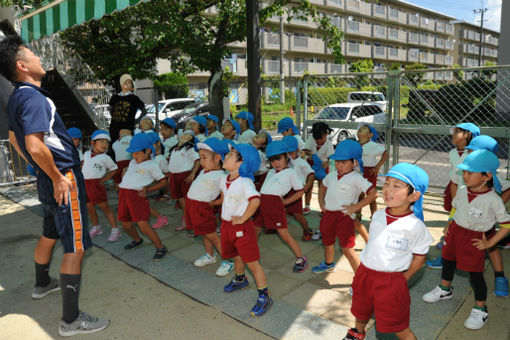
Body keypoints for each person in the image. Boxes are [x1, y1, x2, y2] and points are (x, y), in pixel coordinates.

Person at [1, 35, 109, 335]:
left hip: (49, 178)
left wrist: (43, 170)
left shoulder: (17, 97)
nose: (38, 56)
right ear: (22, 65)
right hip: (63, 179)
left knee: (50, 232)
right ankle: (71, 321)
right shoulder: (34, 98)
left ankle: (41, 283)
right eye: (32, 54)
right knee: (75, 247)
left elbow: (14, 139)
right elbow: (34, 146)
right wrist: (58, 176)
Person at [343, 163, 432, 340]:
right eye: (386, 183)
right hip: (365, 274)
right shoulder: (378, 215)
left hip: (391, 281)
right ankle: (357, 333)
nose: (387, 189)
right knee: (360, 311)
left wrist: (402, 280)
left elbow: (419, 259)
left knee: (398, 326)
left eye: (396, 186)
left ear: (414, 195)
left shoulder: (415, 227)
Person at [423, 150, 510, 330]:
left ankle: (480, 308)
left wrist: (489, 243)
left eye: (470, 172)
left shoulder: (493, 200)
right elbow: (456, 208)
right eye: (464, 171)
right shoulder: (462, 190)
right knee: (447, 260)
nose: (465, 175)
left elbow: (506, 225)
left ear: (486, 176)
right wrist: (449, 222)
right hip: (455, 232)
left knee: (475, 274)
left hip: (475, 238)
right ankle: (445, 289)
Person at [450, 135, 509, 297]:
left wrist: (497, 207)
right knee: (456, 243)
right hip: (465, 220)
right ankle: (447, 264)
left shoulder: (493, 175)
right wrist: (451, 219)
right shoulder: (465, 172)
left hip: (484, 223)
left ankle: (500, 276)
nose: (469, 155)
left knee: (491, 247)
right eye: (468, 151)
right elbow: (457, 200)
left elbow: (507, 189)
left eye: (473, 152)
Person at [220, 142, 272, 316]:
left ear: (242, 163)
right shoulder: (224, 178)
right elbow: (225, 197)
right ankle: (240, 279)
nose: (226, 155)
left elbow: (255, 201)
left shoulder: (245, 182)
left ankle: (265, 296)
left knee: (252, 262)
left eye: (231, 154)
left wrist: (243, 217)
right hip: (228, 225)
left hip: (242, 227)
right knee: (236, 256)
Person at [312, 139, 376, 275]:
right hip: (328, 215)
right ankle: (328, 264)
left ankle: (360, 280)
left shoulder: (356, 178)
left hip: (344, 217)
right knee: (328, 242)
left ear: (355, 162)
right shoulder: (331, 175)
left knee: (347, 249)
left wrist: (356, 207)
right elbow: (323, 187)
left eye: (344, 162)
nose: (339, 165)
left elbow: (373, 194)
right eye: (337, 161)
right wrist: (321, 203)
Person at [427, 122, 480, 269]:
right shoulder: (452, 153)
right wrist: (455, 201)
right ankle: (451, 246)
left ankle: (446, 256)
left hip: (471, 195)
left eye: (457, 132)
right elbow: (454, 179)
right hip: (457, 193)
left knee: (462, 225)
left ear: (467, 136)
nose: (453, 134)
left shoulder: (474, 155)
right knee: (453, 221)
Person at [254, 140, 308, 272]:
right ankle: (248, 253)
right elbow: (265, 189)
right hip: (262, 204)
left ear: (286, 157)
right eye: (272, 160)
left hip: (275, 206)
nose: (275, 163)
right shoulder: (271, 172)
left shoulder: (290, 173)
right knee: (255, 230)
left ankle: (301, 258)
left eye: (278, 159)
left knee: (284, 234)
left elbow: (300, 191)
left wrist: (284, 202)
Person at [186, 138, 233, 276]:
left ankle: (227, 260)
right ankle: (209, 255)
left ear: (218, 157)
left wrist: (212, 204)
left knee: (212, 235)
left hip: (202, 209)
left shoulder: (221, 176)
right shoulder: (204, 171)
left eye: (204, 158)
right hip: (193, 207)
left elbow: (225, 198)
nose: (202, 161)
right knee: (204, 233)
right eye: (200, 158)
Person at [118, 133, 169, 261]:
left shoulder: (152, 165)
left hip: (137, 196)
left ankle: (161, 247)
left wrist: (148, 189)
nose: (134, 156)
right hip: (124, 195)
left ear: (147, 151)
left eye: (137, 153)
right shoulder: (132, 162)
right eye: (132, 153)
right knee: (125, 224)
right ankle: (137, 240)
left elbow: (163, 182)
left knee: (143, 226)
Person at [82, 130, 121, 242]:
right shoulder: (86, 154)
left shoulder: (105, 158)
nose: (104, 144)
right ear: (93, 143)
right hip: (85, 184)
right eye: (101, 141)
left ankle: (115, 230)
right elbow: (82, 165)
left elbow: (114, 170)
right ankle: (96, 228)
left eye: (107, 142)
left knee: (105, 208)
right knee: (90, 208)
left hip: (96, 185)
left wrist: (104, 179)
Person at [282, 135, 315, 241]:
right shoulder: (282, 162)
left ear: (297, 150)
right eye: (286, 154)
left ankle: (307, 230)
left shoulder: (301, 162)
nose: (289, 156)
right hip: (284, 191)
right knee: (277, 211)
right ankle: (274, 227)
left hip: (295, 192)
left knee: (297, 215)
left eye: (291, 153)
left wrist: (307, 187)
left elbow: (311, 174)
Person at [168, 130, 201, 231]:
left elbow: (198, 161)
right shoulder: (174, 149)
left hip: (184, 176)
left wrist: (192, 174)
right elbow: (172, 163)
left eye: (189, 135)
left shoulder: (189, 148)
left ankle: (194, 224)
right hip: (174, 176)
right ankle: (187, 221)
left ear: (192, 139)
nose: (186, 136)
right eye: (184, 134)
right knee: (181, 200)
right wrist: (170, 175)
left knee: (188, 201)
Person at [302, 122, 334, 215]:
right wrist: (309, 154)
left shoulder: (328, 144)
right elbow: (306, 150)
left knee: (322, 188)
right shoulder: (311, 139)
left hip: (322, 169)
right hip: (311, 166)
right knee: (309, 186)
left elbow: (330, 159)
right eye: (316, 140)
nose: (318, 141)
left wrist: (326, 163)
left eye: (321, 139)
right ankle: (307, 206)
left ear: (326, 134)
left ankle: (323, 208)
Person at [108, 73, 146, 142]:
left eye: (129, 82)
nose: (126, 83)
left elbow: (144, 111)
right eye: (124, 81)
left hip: (127, 129)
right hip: (114, 129)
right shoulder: (115, 97)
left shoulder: (134, 98)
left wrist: (136, 121)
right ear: (121, 83)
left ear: (132, 86)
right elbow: (110, 109)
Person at [145, 131, 170, 229]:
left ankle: (161, 218)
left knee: (143, 205)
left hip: (148, 185)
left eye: (151, 145)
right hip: (144, 184)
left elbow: (167, 173)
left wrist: (156, 179)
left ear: (158, 143)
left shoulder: (160, 159)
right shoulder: (149, 157)